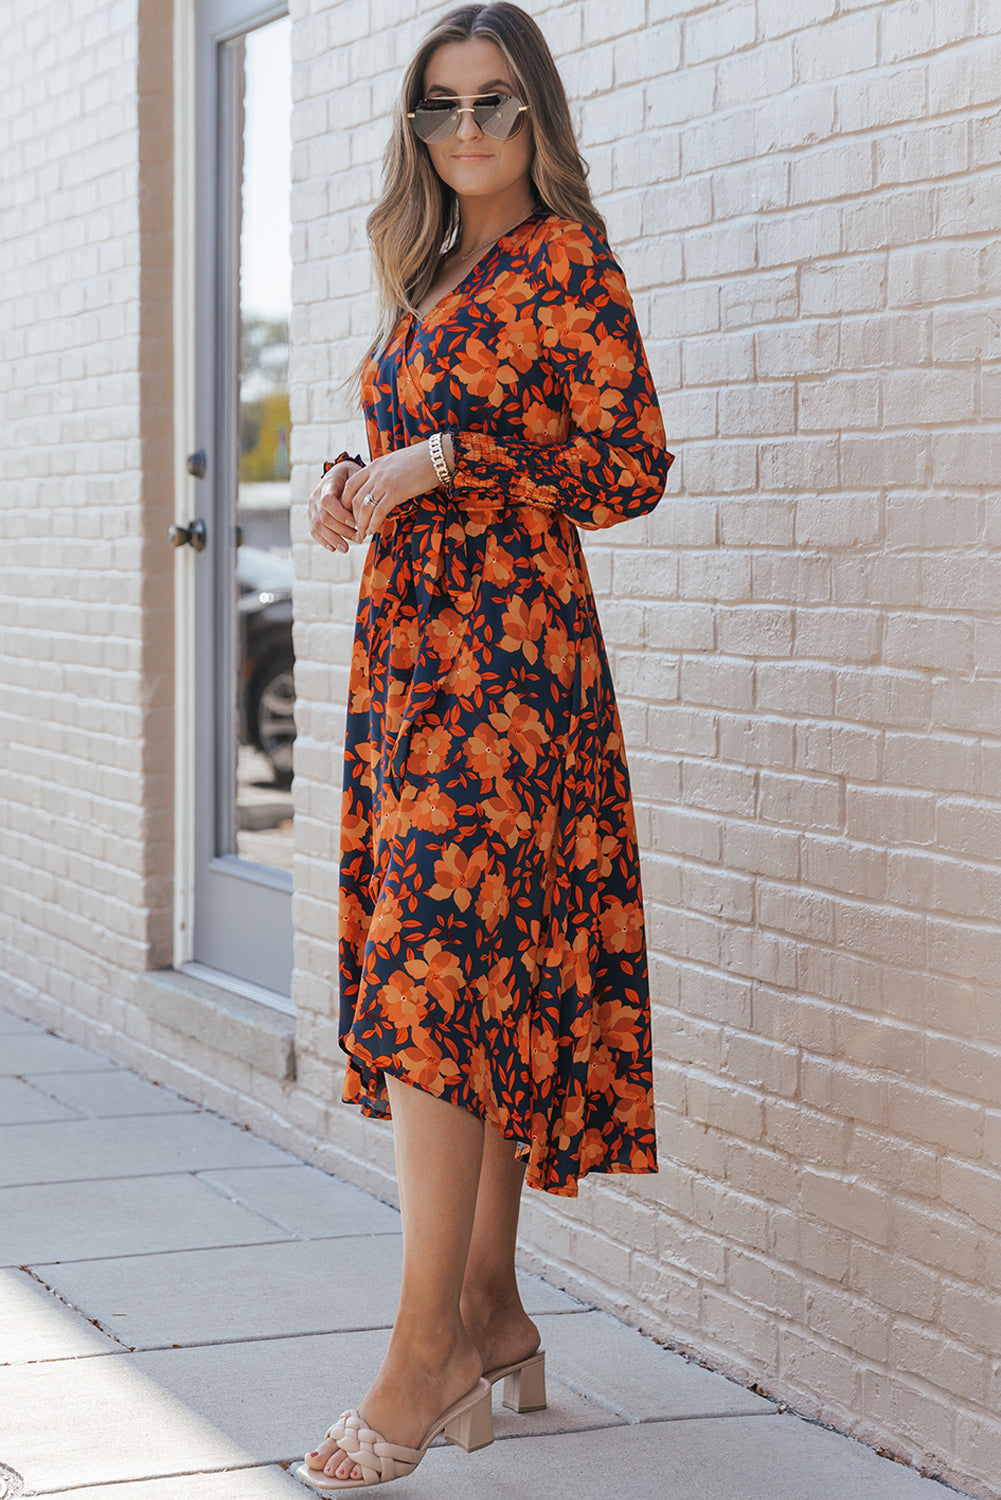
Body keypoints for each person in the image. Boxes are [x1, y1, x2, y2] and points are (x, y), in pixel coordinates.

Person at [299, 2, 674, 1488]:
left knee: (442, 984)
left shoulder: (569, 263)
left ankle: (422, 1358)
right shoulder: (433, 269)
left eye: (494, 105)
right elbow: (412, 446)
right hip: (412, 662)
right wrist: (352, 475)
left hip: (510, 669)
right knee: (469, 976)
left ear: (538, 120)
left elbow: (631, 467)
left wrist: (442, 459)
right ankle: (491, 1312)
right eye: (440, 108)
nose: (465, 133)